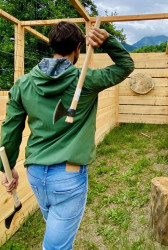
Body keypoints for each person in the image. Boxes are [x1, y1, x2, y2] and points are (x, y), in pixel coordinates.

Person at [0, 21, 134, 249]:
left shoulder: (23, 84)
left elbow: (11, 131)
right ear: (78, 48)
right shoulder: (88, 80)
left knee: (55, 231)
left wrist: (7, 166)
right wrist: (107, 41)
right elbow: (125, 65)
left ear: (51, 45)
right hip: (68, 178)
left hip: (35, 174)